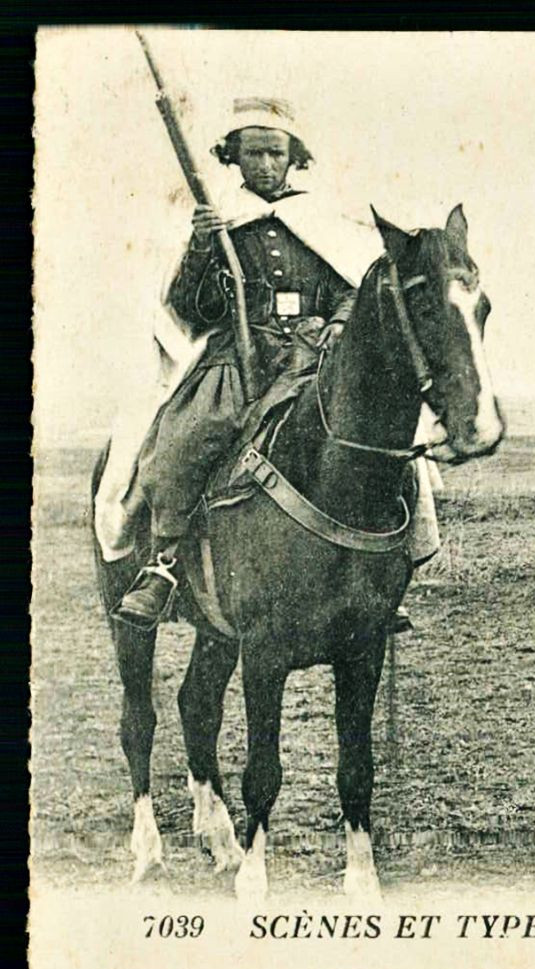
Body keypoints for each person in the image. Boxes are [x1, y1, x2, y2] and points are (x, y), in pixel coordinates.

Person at [114, 97, 384, 629]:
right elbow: (190, 308)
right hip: (239, 360)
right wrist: (200, 247)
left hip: (313, 355)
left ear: (293, 158)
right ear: (234, 159)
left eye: (274, 153)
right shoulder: (221, 227)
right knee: (186, 435)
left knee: (376, 433)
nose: (264, 164)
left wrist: (335, 325)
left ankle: (385, 566)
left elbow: (348, 290)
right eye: (252, 154)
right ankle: (164, 563)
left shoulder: (319, 222)